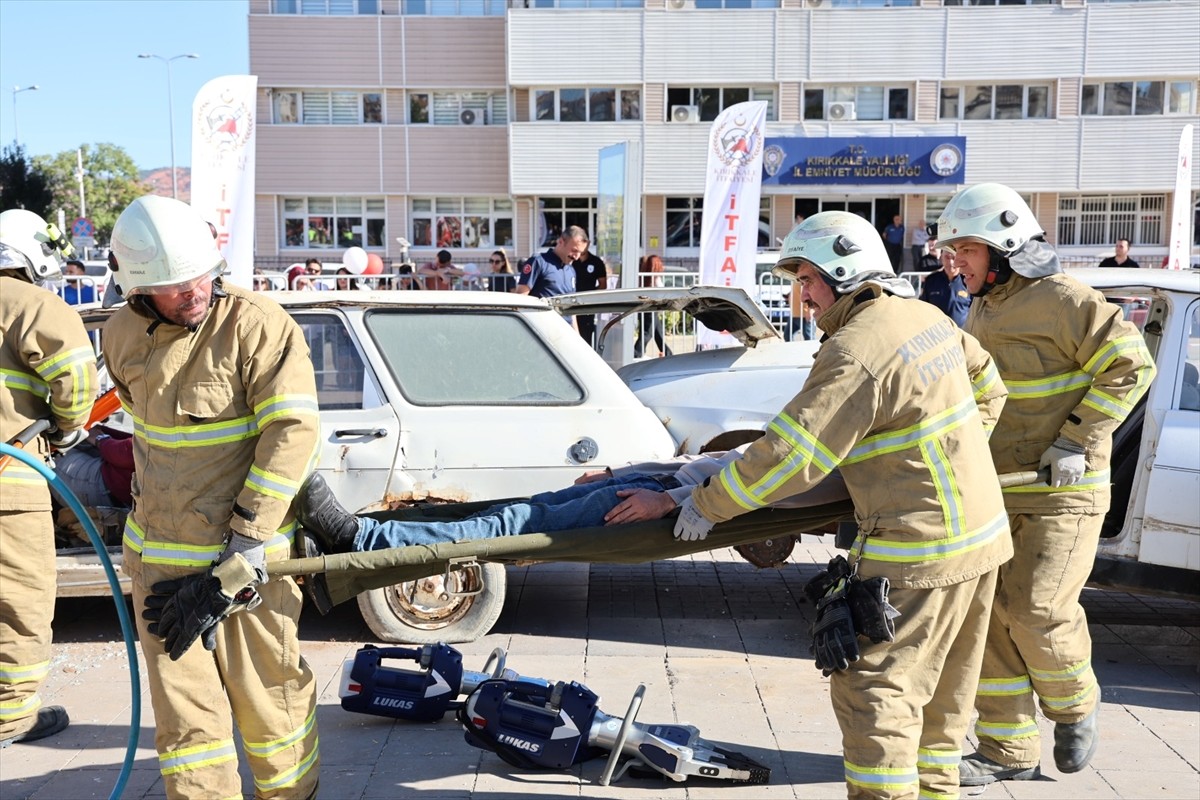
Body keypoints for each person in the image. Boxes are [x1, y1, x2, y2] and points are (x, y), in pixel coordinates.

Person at [674, 210, 1013, 800]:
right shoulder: (923, 316)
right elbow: (989, 383)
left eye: (806, 280)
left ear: (842, 272)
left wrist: (711, 503)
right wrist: (950, 461)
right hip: (981, 538)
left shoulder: (857, 351)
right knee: (938, 704)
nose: (800, 295)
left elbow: (789, 455)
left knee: (875, 693)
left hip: (919, 553)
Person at [935, 183, 1156, 786]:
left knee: (1035, 608)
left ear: (1004, 247)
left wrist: (1076, 442)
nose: (954, 262)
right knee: (990, 617)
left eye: (966, 249)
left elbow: (1131, 365)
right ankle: (1006, 749)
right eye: (952, 249)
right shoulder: (982, 303)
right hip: (1001, 487)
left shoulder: (1066, 300)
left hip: (1064, 491)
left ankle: (1076, 704)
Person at [103, 196, 321, 799]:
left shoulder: (255, 324)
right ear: (139, 288)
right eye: (173, 286)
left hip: (245, 567)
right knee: (186, 726)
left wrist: (248, 540)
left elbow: (294, 431)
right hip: (161, 567)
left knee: (270, 704)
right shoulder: (121, 334)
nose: (193, 292)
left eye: (200, 274)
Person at [292, 448, 848, 606]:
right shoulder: (838, 428)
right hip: (665, 483)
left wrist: (670, 498)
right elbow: (730, 463)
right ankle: (359, 535)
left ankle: (358, 539)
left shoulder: (837, 465)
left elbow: (764, 490)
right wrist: (626, 470)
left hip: (669, 504)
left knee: (510, 527)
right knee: (511, 511)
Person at [0, 209, 98, 747]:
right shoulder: (34, 304)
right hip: (10, 482)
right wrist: (63, 431)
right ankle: (12, 717)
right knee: (19, 601)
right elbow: (78, 381)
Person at [53, 426, 135, 509]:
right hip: (117, 491)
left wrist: (100, 439)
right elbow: (137, 442)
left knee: (50, 458)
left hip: (98, 485)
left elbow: (125, 453)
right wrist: (99, 429)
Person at [514, 226, 586, 298]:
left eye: (581, 253)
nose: (576, 257)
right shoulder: (538, 262)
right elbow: (521, 298)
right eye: (574, 251)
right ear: (561, 242)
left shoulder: (571, 270)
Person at [919, 244, 971, 328]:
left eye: (953, 258)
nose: (950, 262)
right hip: (937, 333)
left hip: (961, 334)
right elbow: (922, 307)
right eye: (947, 257)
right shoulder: (931, 281)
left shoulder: (968, 282)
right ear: (941, 258)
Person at [633, 254, 672, 358]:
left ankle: (668, 353)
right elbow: (662, 290)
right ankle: (636, 353)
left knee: (657, 333)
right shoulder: (655, 278)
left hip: (644, 307)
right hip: (652, 308)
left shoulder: (643, 276)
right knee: (647, 333)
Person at [572, 244, 609, 345]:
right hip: (570, 303)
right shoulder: (571, 260)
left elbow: (603, 284)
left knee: (586, 334)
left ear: (588, 243)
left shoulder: (596, 262)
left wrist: (590, 295)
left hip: (587, 306)